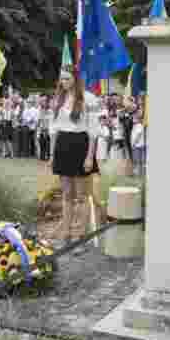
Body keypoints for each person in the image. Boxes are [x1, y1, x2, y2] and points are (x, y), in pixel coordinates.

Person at [49, 69, 100, 243]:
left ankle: (79, 234)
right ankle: (66, 232)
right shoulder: (58, 99)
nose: (63, 81)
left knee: (81, 196)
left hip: (81, 145)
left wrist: (89, 157)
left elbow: (93, 131)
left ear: (75, 79)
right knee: (67, 194)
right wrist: (51, 154)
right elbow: (54, 130)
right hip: (62, 146)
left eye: (67, 78)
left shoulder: (89, 98)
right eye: (61, 78)